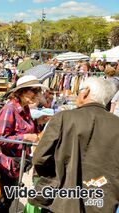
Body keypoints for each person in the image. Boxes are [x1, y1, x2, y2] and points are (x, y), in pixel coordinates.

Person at [29, 77, 119, 213]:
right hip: (103, 203)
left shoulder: (63, 118)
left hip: (62, 201)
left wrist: (55, 178)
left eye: (79, 91)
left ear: (85, 92)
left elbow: (40, 158)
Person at [0, 75, 49, 212]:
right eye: (34, 91)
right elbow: (0, 138)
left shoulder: (25, 108)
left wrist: (37, 122)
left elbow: (25, 128)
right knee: (3, 201)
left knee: (9, 198)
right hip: (7, 165)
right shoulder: (10, 109)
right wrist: (25, 137)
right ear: (22, 92)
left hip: (18, 163)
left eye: (37, 92)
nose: (36, 95)